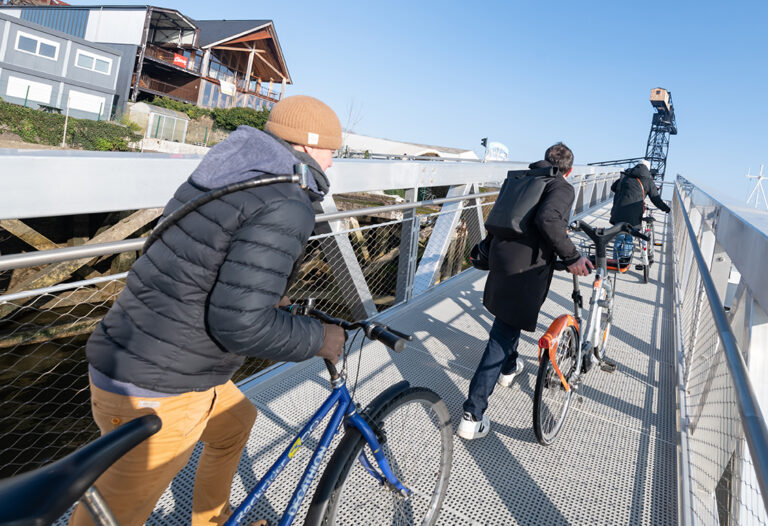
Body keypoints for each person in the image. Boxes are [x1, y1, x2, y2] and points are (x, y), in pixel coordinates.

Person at [70, 95, 347, 526]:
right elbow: (240, 324)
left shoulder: (225, 174)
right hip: (159, 388)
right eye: (332, 151)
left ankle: (214, 520)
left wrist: (266, 296)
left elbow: (199, 260)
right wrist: (320, 339)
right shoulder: (287, 202)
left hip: (137, 349)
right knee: (110, 517)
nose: (331, 164)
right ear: (308, 146)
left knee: (236, 422)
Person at [457, 142, 593, 440]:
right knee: (502, 333)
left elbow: (501, 217)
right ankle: (472, 413)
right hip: (526, 267)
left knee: (508, 320)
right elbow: (548, 219)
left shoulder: (519, 178)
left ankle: (508, 368)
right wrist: (572, 257)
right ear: (568, 170)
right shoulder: (561, 187)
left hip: (501, 257)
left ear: (545, 160)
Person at [609, 160, 670, 264]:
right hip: (633, 214)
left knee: (619, 236)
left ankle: (615, 260)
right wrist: (666, 208)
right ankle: (624, 261)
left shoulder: (626, 176)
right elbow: (655, 199)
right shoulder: (648, 180)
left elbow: (613, 188)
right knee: (629, 237)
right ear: (648, 169)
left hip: (618, 211)